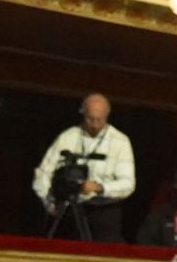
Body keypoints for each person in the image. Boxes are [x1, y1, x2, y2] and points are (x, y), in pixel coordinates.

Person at [31, 92, 135, 242]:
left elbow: (128, 183)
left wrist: (99, 187)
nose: (94, 123)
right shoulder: (68, 137)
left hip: (103, 212)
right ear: (82, 113)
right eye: (90, 118)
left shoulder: (120, 141)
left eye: (99, 119)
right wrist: (49, 202)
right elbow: (43, 173)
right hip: (69, 210)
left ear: (107, 115)